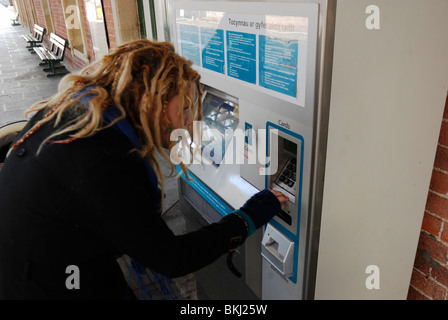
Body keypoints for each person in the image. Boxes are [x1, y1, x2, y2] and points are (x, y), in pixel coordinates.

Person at [0, 40, 288, 300]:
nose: (189, 121)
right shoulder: (103, 162)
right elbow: (172, 258)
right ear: (152, 101)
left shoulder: (76, 111)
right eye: (185, 107)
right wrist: (248, 217)